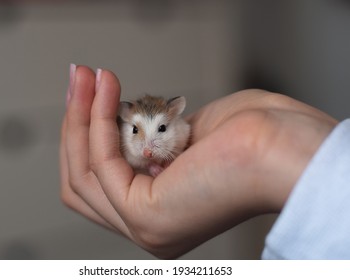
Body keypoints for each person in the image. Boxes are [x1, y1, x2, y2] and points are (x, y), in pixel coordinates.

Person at [60, 65, 350, 259]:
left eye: (161, 129)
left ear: (175, 114)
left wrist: (261, 145)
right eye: (136, 131)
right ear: (127, 120)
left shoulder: (183, 129)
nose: (147, 147)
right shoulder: (124, 135)